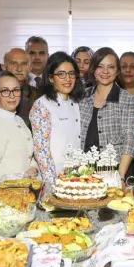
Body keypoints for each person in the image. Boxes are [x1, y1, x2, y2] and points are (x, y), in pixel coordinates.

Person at [80, 48, 134, 178]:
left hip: (113, 172)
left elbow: (130, 138)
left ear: (117, 71)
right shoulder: (83, 97)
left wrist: (120, 176)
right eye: (100, 66)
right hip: (83, 172)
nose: (105, 71)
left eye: (111, 67)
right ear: (93, 69)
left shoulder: (127, 99)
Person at [30, 53, 83, 184]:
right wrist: (52, 183)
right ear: (50, 78)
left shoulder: (77, 103)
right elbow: (41, 150)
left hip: (78, 176)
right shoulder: (42, 105)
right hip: (55, 178)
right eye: (61, 74)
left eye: (71, 74)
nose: (67, 79)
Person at [0, 72, 38, 187]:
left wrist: (33, 168)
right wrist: (22, 178)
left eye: (16, 90)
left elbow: (29, 155)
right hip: (3, 192)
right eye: (5, 91)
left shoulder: (19, 120)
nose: (12, 96)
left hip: (24, 189)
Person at [3, 47, 40, 127]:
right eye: (14, 63)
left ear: (30, 68)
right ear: (4, 67)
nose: (19, 69)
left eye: (24, 64)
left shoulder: (38, 95)